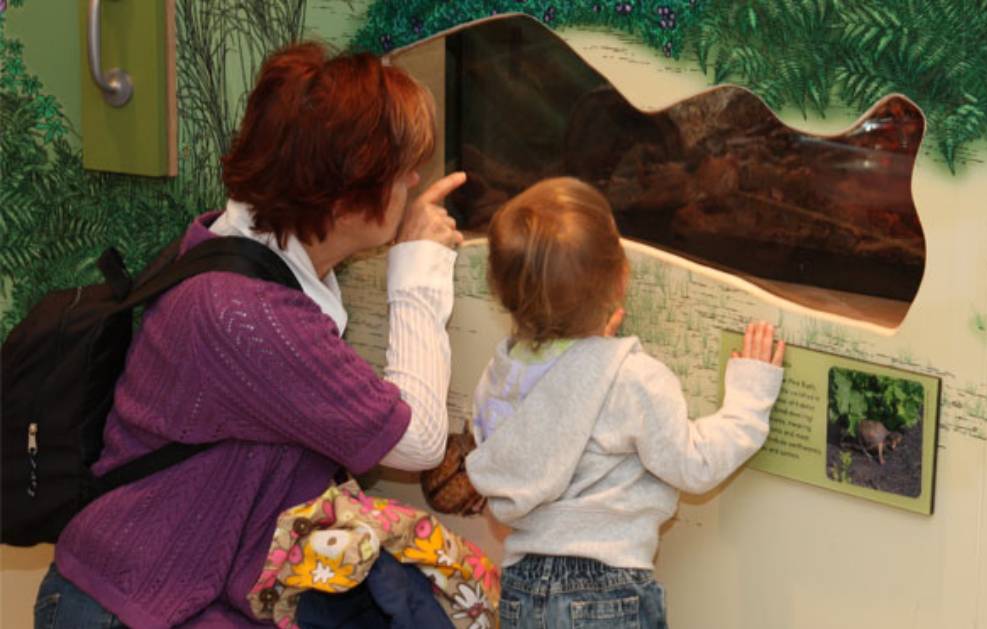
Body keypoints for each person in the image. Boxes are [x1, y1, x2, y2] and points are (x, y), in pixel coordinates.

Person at [34, 42, 465, 628]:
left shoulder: (236, 246)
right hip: (127, 609)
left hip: (162, 597)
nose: (414, 180)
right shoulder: (248, 314)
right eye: (401, 169)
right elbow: (417, 442)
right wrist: (417, 267)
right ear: (346, 194)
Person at [464, 177, 785, 628]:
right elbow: (695, 465)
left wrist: (587, 348)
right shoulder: (630, 378)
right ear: (622, 278)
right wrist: (751, 395)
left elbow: (554, 410)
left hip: (521, 588)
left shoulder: (500, 376)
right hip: (605, 590)